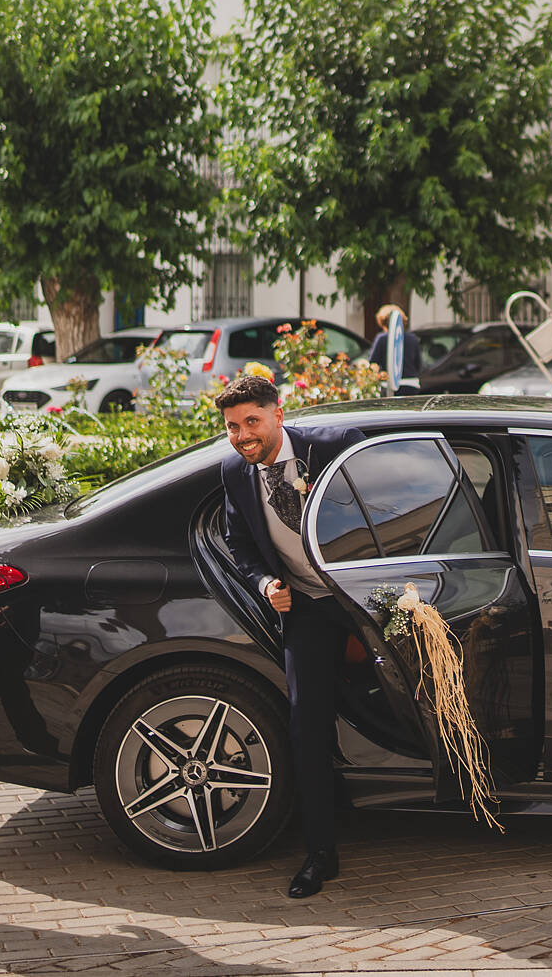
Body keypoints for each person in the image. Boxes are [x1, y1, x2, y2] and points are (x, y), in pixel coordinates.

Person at [214, 372, 367, 898]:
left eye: (251, 421)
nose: (242, 435)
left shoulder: (332, 449)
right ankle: (320, 854)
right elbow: (240, 544)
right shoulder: (235, 472)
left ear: (278, 414)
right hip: (305, 608)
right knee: (306, 727)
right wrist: (265, 583)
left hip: (367, 600)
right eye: (233, 427)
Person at [365, 304, 423, 395]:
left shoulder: (382, 338)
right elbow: (418, 365)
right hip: (411, 384)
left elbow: (373, 362)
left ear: (383, 322)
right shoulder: (413, 338)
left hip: (389, 384)